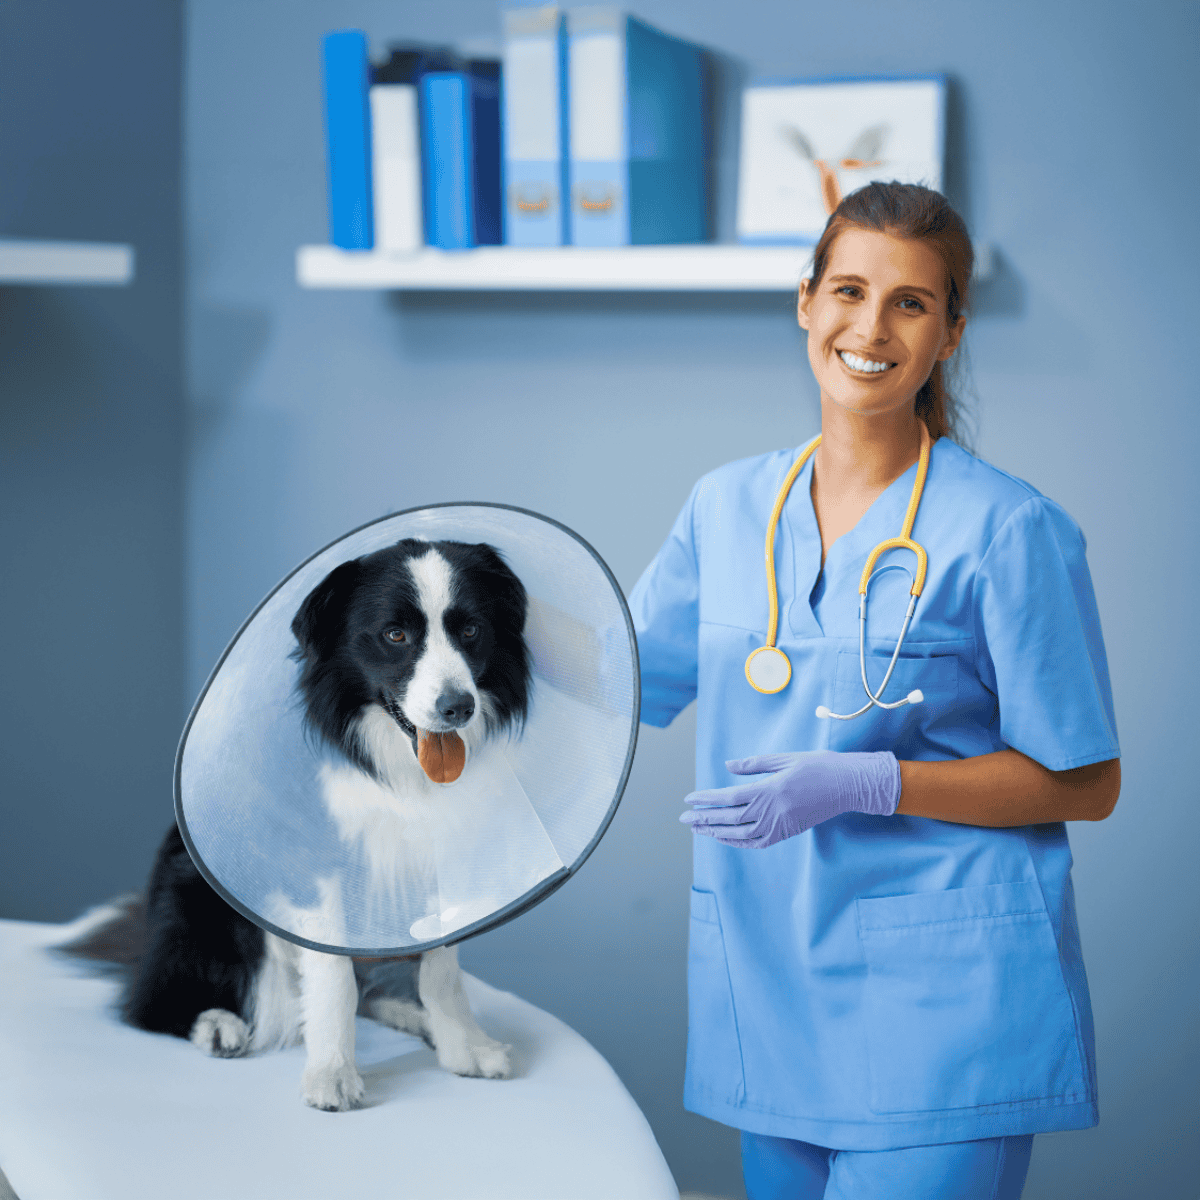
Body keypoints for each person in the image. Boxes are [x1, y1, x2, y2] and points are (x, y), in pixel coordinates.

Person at [629, 182, 1120, 1200]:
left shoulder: (1009, 531)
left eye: (910, 303)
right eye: (848, 290)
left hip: (940, 1014)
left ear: (950, 333)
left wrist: (871, 784)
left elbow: (1087, 782)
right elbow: (613, 682)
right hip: (769, 996)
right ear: (804, 301)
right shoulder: (725, 508)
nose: (871, 325)